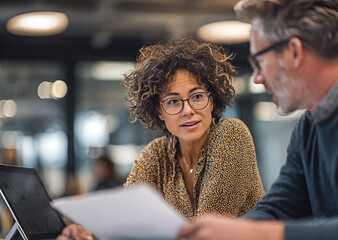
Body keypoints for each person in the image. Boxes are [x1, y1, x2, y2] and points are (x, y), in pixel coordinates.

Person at [178, 0, 338, 240]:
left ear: (294, 52)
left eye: (259, 62)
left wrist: (262, 233)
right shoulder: (308, 129)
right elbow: (280, 208)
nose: (257, 78)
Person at [57, 37, 264, 240]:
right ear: (159, 111)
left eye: (197, 96)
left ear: (212, 100)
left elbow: (206, 231)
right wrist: (86, 232)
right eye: (174, 101)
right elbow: (124, 214)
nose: (188, 110)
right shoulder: (157, 154)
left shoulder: (231, 134)